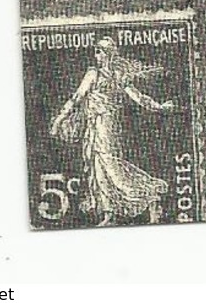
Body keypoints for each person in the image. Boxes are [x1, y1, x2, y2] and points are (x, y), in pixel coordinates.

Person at [48, 36, 176, 227]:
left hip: (107, 126)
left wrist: (159, 106)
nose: (96, 55)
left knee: (111, 167)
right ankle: (108, 213)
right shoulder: (95, 73)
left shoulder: (111, 75)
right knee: (97, 167)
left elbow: (137, 96)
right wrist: (59, 119)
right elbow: (77, 98)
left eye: (99, 51)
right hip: (94, 126)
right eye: (96, 51)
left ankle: (150, 198)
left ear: (108, 54)